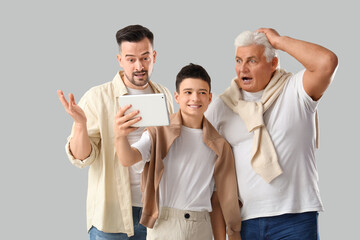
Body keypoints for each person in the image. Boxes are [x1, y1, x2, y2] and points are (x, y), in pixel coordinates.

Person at [205, 28, 338, 240]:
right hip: (246, 221)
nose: (242, 69)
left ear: (273, 63)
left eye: (252, 61)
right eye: (238, 61)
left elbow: (326, 62)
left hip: (296, 218)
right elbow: (193, 140)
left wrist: (279, 41)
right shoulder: (223, 105)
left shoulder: (295, 90)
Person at [57, 24, 174, 240]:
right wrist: (81, 125)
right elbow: (81, 158)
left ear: (154, 56)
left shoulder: (164, 94)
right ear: (120, 60)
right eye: (131, 59)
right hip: (111, 217)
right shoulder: (97, 96)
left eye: (145, 58)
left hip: (157, 213)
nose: (139, 66)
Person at [114, 63, 242, 240]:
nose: (195, 98)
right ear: (176, 96)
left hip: (202, 226)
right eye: (188, 92)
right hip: (164, 225)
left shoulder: (219, 145)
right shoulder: (158, 132)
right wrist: (120, 137)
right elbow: (128, 159)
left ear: (210, 98)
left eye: (202, 92)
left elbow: (218, 200)